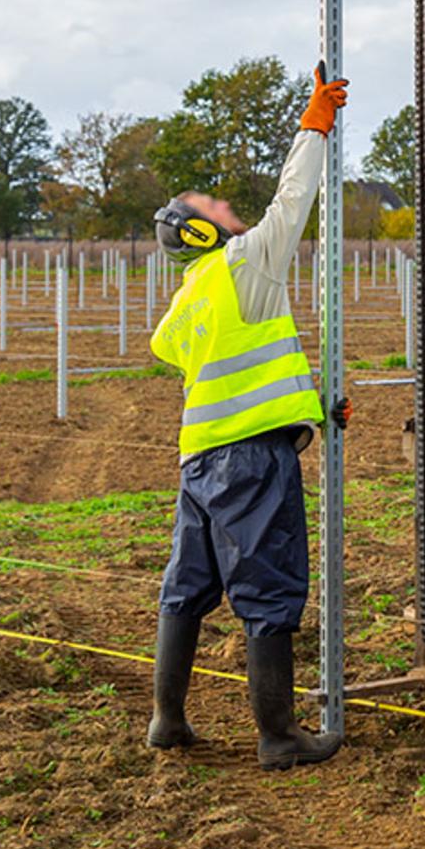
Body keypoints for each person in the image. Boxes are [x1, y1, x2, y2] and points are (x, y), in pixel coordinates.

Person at [144, 65, 349, 770]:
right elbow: (294, 198)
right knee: (269, 586)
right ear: (201, 230)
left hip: (200, 460)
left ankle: (167, 720)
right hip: (251, 460)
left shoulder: (188, 301)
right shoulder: (244, 263)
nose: (226, 205)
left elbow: (238, 365)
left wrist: (309, 404)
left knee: (187, 586)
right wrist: (313, 125)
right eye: (212, 204)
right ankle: (279, 736)